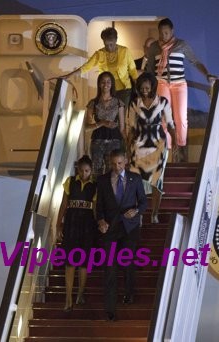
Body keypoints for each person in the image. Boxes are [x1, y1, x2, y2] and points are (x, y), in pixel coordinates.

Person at [146, 18, 215, 162]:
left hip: (179, 84)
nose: (163, 36)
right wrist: (149, 89)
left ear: (172, 31)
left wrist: (207, 74)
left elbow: (195, 61)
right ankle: (166, 148)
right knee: (163, 117)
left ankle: (180, 147)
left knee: (181, 117)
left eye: (166, 33)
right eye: (161, 33)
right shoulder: (154, 47)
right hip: (162, 83)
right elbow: (150, 69)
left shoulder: (182, 45)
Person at [96, 149, 147, 321]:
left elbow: (144, 202)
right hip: (110, 229)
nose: (117, 167)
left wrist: (137, 211)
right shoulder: (102, 180)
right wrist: (101, 220)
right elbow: (99, 207)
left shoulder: (136, 179)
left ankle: (129, 293)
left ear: (125, 161)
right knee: (109, 268)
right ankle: (110, 309)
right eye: (114, 164)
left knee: (127, 262)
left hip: (129, 228)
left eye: (119, 163)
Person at [127, 72, 175, 224]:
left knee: (157, 181)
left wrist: (176, 143)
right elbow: (131, 128)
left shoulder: (163, 102)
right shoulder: (134, 103)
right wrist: (128, 148)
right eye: (142, 87)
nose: (144, 90)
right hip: (139, 145)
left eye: (147, 87)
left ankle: (154, 214)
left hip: (158, 145)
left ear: (153, 86)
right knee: (136, 182)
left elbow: (170, 124)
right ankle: (139, 214)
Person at [56, 155, 97, 312]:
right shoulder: (70, 182)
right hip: (71, 223)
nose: (84, 173)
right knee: (70, 262)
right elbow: (64, 204)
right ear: (77, 170)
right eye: (81, 170)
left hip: (87, 224)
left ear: (91, 171)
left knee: (84, 262)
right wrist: (59, 224)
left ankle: (80, 293)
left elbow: (95, 208)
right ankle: (68, 298)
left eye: (87, 170)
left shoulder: (95, 185)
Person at [60, 27, 138, 109]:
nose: (109, 48)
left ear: (116, 40)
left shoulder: (125, 51)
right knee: (109, 115)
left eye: (111, 44)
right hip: (107, 90)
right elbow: (86, 66)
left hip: (124, 90)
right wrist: (70, 75)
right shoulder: (99, 53)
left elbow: (133, 71)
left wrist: (138, 87)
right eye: (106, 45)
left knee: (121, 114)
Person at [85, 71, 126, 176]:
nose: (106, 84)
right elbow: (87, 127)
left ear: (112, 84)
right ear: (99, 84)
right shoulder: (93, 103)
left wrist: (127, 144)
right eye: (103, 82)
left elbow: (122, 127)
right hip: (98, 140)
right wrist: (102, 123)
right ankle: (97, 192)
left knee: (113, 171)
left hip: (115, 140)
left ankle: (111, 192)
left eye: (108, 82)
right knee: (96, 170)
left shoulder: (119, 102)